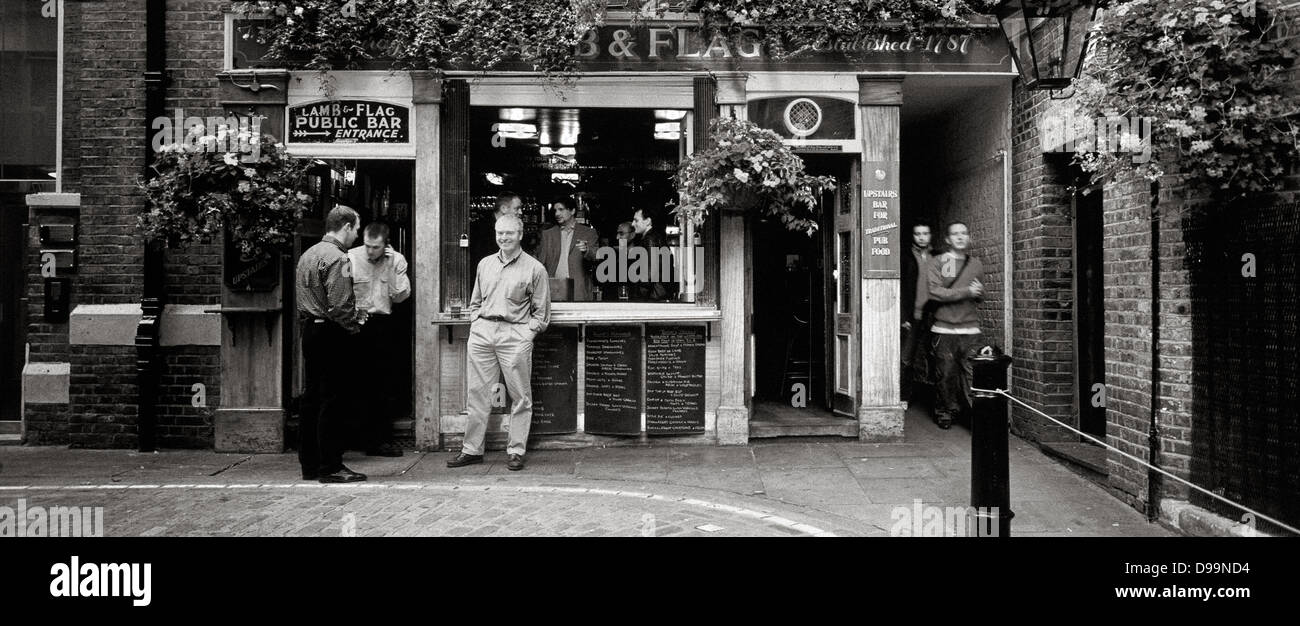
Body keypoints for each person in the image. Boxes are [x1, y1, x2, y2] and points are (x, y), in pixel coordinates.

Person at [447, 213, 551, 472]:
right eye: (499, 233)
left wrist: (527, 334)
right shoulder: (485, 264)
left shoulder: (535, 268)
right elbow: (475, 301)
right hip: (483, 334)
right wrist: (476, 321)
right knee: (478, 394)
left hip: (515, 335)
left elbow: (542, 313)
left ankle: (516, 450)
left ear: (520, 234)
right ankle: (471, 450)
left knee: (520, 396)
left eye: (509, 233)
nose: (503, 238)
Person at [296, 205, 369, 482]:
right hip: (331, 332)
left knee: (311, 397)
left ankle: (310, 464)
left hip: (309, 331)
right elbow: (340, 306)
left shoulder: (308, 255)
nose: (357, 236)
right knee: (333, 399)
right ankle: (331, 466)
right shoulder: (339, 258)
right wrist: (356, 325)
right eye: (356, 229)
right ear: (346, 226)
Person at [347, 222, 410, 457]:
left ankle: (380, 439)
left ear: (385, 246)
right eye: (367, 246)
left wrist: (392, 266)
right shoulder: (350, 258)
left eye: (375, 247)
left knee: (383, 384)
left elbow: (401, 295)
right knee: (355, 383)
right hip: (355, 323)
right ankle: (356, 436)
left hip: (382, 324)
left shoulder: (397, 260)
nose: (370, 251)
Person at [920, 221, 985, 430]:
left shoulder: (976, 264)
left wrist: (979, 293)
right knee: (945, 375)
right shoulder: (938, 262)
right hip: (944, 329)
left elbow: (979, 296)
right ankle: (945, 412)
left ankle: (976, 417)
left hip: (971, 329)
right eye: (955, 234)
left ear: (969, 238)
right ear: (948, 239)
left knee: (972, 375)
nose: (960, 237)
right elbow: (936, 292)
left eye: (964, 233)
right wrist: (967, 292)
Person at [537, 198, 599, 301]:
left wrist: (587, 250)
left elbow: (597, 257)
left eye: (561, 209)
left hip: (578, 289)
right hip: (553, 289)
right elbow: (541, 263)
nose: (557, 213)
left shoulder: (588, 233)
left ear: (572, 211)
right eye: (555, 210)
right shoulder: (548, 234)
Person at [901, 223, 935, 403]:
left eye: (925, 233)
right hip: (912, 316)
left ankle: (935, 401)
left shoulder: (937, 257)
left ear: (930, 235)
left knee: (935, 357)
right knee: (906, 359)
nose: (921, 237)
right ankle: (904, 398)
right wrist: (903, 316)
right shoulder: (905, 256)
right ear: (912, 236)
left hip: (932, 316)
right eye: (918, 234)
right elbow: (902, 288)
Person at [628, 208, 675, 302]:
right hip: (658, 294)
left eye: (636, 220)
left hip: (653, 297)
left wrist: (638, 296)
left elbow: (650, 271)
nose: (633, 224)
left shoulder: (650, 238)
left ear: (648, 221)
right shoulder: (655, 237)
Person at [470, 192, 522, 263]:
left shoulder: (516, 227)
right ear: (503, 208)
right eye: (516, 208)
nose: (520, 212)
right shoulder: (480, 228)